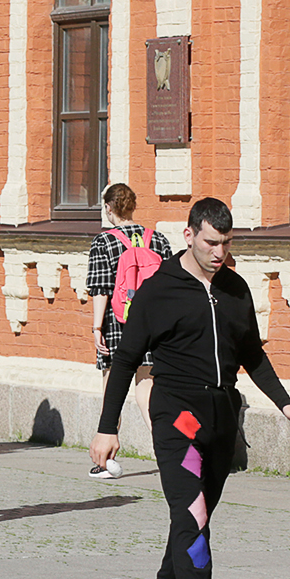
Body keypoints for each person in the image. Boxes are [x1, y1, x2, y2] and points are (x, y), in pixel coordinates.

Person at [89, 197, 290, 579]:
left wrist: (287, 405)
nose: (219, 252)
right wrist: (106, 427)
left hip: (221, 419)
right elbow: (127, 357)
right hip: (176, 417)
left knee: (195, 513)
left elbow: (253, 354)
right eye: (211, 242)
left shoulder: (235, 289)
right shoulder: (159, 289)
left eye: (226, 244)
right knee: (193, 514)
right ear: (189, 235)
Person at [86, 182, 171, 477]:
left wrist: (97, 327)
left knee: (113, 391)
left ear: (109, 208)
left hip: (117, 324)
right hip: (153, 325)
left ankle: (105, 461)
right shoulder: (157, 240)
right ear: (133, 206)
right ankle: (168, 451)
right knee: (147, 389)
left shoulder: (104, 242)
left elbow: (100, 288)